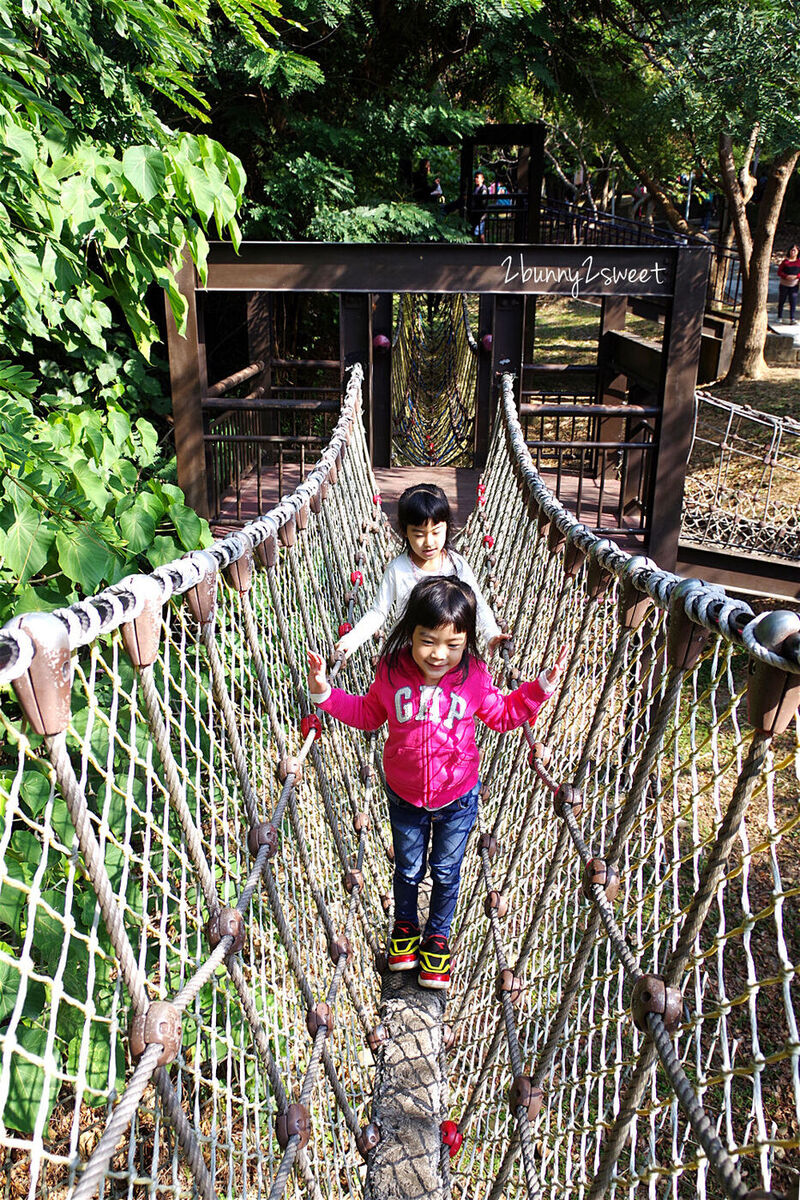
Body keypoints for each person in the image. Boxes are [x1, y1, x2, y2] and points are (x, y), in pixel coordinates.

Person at [307, 576, 567, 989]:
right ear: (410, 631)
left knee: (446, 871)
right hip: (405, 795)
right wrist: (324, 694)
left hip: (458, 797)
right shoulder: (391, 672)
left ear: (467, 643)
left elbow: (502, 716)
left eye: (453, 645)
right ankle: (406, 929)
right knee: (408, 869)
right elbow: (367, 714)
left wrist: (540, 689)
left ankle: (437, 938)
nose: (439, 654)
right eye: (428, 641)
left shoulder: (474, 676)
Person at [335, 483, 506, 659]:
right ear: (405, 532)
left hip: (446, 656)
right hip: (406, 655)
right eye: (418, 534)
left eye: (436, 532)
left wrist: (491, 634)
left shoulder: (456, 565)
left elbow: (477, 603)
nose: (428, 542)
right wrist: (352, 640)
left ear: (447, 527)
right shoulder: (398, 569)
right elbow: (378, 612)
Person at [776, 244, 800, 324]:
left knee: (793, 300)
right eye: (791, 250)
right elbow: (779, 272)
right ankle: (779, 316)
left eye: (794, 250)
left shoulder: (799, 262)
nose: (793, 252)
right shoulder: (785, 262)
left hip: (794, 285)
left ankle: (792, 318)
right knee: (781, 300)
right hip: (784, 284)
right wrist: (786, 276)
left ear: (797, 252)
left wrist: (796, 276)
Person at [470, 170, 489, 242]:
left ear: (482, 179)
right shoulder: (475, 188)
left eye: (478, 177)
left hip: (481, 214)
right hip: (475, 213)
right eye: (475, 177)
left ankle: (485, 249)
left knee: (480, 233)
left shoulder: (483, 189)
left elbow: (483, 202)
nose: (476, 179)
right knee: (476, 232)